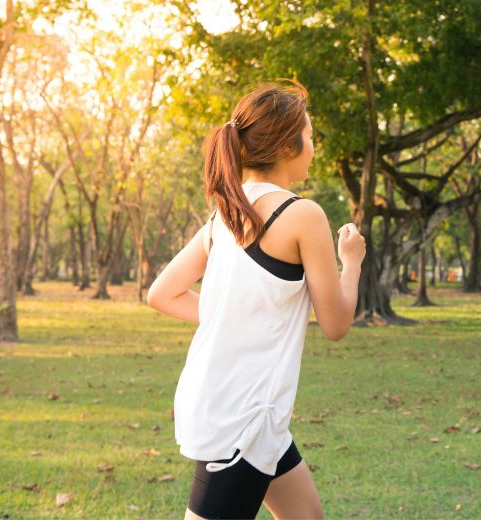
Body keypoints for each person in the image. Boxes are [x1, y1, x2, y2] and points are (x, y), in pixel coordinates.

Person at [147, 79, 365, 520]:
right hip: (240, 421)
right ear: (287, 145)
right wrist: (352, 261)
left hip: (247, 412)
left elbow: (162, 293)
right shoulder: (302, 214)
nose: (313, 145)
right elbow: (337, 323)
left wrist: (237, 318)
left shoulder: (224, 214)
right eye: (309, 135)